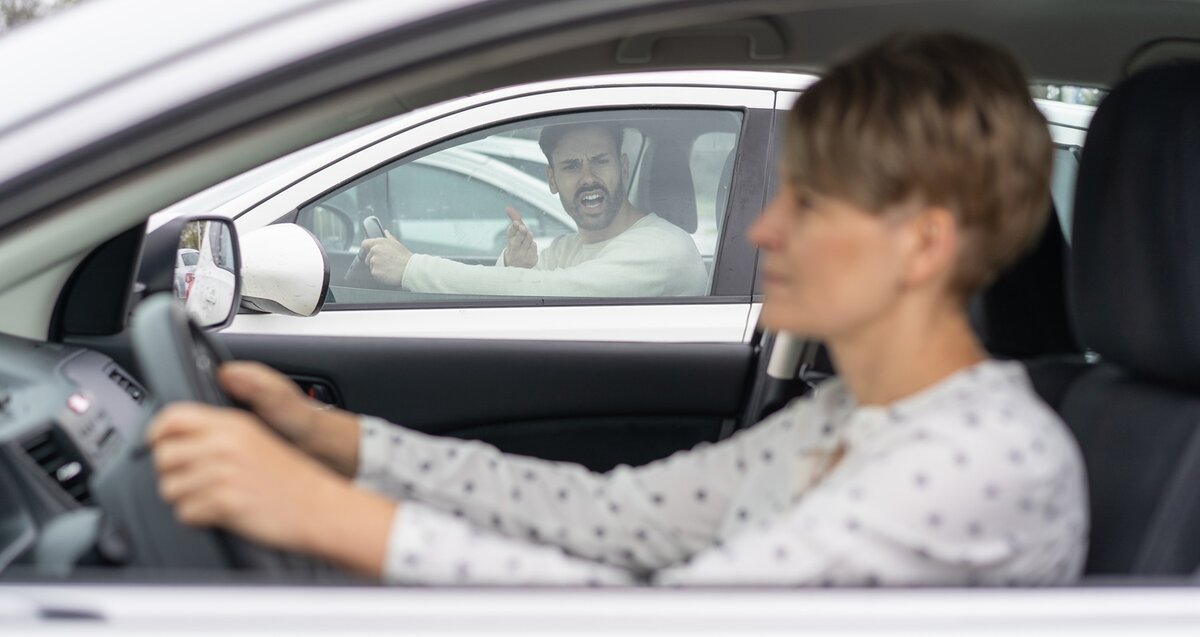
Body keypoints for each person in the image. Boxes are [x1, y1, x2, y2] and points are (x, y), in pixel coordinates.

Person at [147, 32, 1087, 586]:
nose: (761, 231)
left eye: (809, 202)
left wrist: (329, 516)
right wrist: (342, 446)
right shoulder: (854, 415)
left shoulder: (984, 460)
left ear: (920, 244)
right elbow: (613, 513)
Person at [357, 122, 708, 297]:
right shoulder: (566, 248)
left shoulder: (665, 248)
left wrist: (411, 269)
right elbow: (518, 290)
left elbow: (549, 290)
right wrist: (513, 264)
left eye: (599, 161)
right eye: (571, 167)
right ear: (552, 181)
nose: (588, 178)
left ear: (625, 168)